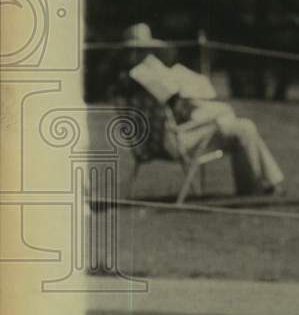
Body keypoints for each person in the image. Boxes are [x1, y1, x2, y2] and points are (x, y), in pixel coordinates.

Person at [116, 23, 284, 196]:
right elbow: (176, 107)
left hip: (151, 145)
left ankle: (259, 185)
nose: (148, 55)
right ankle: (260, 184)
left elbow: (164, 112)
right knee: (242, 126)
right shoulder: (145, 77)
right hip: (176, 142)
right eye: (143, 50)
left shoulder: (125, 83)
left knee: (238, 126)